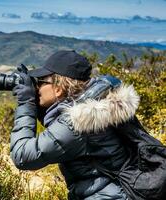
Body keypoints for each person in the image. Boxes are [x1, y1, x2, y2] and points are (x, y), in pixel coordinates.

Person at [10, 50, 140, 199]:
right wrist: (39, 108)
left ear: (58, 89)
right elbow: (58, 129)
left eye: (41, 82)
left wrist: (26, 104)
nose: (37, 88)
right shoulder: (95, 108)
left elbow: (23, 156)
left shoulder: (78, 123)